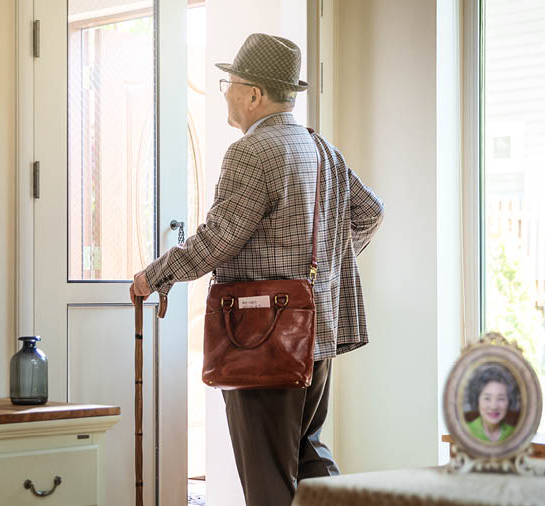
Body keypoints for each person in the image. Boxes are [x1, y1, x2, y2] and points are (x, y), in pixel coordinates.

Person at [129, 33, 384, 506]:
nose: (224, 91)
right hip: (314, 334)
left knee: (267, 477)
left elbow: (218, 239)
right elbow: (371, 213)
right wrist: (324, 267)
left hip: (261, 338)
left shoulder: (252, 151)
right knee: (309, 461)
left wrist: (154, 276)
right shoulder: (321, 149)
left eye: (229, 82)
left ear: (253, 94)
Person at [465, 364, 519, 443]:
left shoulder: (515, 434)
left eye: (501, 398)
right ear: (477, 400)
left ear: (509, 401)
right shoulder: (465, 432)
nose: (493, 406)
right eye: (487, 398)